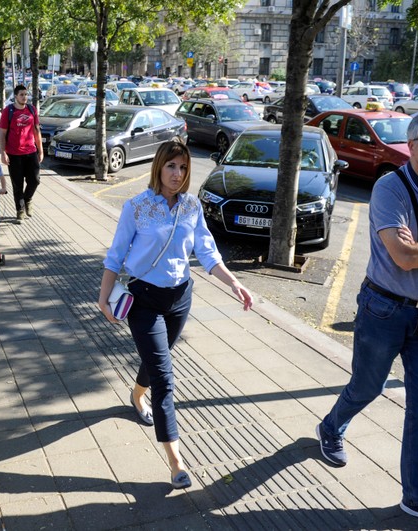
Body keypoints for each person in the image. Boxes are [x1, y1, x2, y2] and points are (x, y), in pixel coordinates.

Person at [316, 109, 418, 529]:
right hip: (383, 309)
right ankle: (332, 426)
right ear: (413, 144)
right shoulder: (390, 187)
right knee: (367, 387)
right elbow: (403, 258)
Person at [98, 140, 253, 490]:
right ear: (159, 166)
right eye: (171, 166)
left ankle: (137, 394)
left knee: (158, 361)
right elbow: (115, 256)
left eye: (183, 168)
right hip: (144, 301)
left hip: (180, 298)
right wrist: (102, 298)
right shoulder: (136, 207)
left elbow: (207, 251)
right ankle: (176, 461)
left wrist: (233, 283)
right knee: (165, 380)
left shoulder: (192, 207)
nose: (177, 174)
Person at [0, 85, 43, 223]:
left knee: (35, 180)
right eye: (21, 95)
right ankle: (20, 210)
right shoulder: (8, 111)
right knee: (17, 184)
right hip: (14, 154)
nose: (24, 97)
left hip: (31, 152)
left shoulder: (31, 109)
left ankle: (28, 199)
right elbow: (2, 133)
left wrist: (40, 150)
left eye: (26, 94)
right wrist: (3, 153)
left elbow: (37, 131)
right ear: (16, 96)